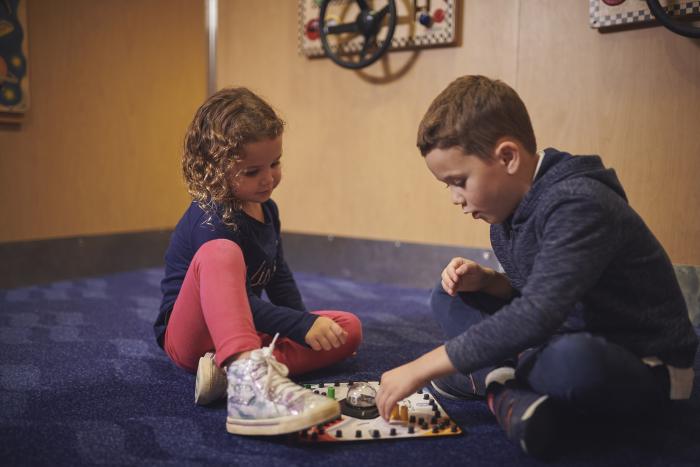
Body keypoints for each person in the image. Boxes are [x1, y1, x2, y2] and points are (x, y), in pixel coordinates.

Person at [375, 75, 698, 457]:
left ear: (508, 157)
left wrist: (420, 368)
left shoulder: (579, 204)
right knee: (448, 295)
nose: (454, 199)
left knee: (571, 362)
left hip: (643, 364)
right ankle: (503, 387)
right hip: (559, 332)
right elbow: (546, 289)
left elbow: (539, 312)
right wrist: (492, 282)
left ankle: (492, 379)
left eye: (459, 181)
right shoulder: (505, 217)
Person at [154, 87, 362, 436]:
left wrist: (304, 323)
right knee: (221, 252)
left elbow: (278, 276)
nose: (269, 178)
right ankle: (248, 391)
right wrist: (297, 326)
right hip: (190, 335)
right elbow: (241, 303)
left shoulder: (267, 209)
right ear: (214, 169)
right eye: (252, 171)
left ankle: (229, 371)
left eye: (275, 163)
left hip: (242, 331)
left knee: (347, 328)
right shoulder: (211, 219)